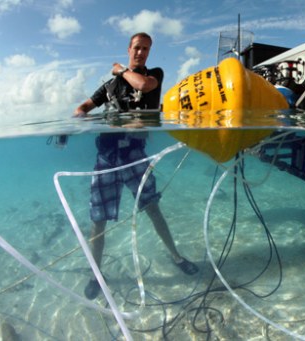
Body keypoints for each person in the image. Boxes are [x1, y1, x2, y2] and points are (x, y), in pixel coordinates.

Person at [74, 32, 198, 300]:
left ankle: (176, 257)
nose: (141, 52)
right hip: (107, 158)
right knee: (98, 221)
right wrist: (79, 116)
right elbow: (85, 105)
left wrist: (120, 69)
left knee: (153, 209)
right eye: (137, 48)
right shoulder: (110, 86)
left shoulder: (155, 74)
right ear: (128, 48)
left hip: (135, 156)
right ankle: (96, 273)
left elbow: (143, 85)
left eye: (146, 49)